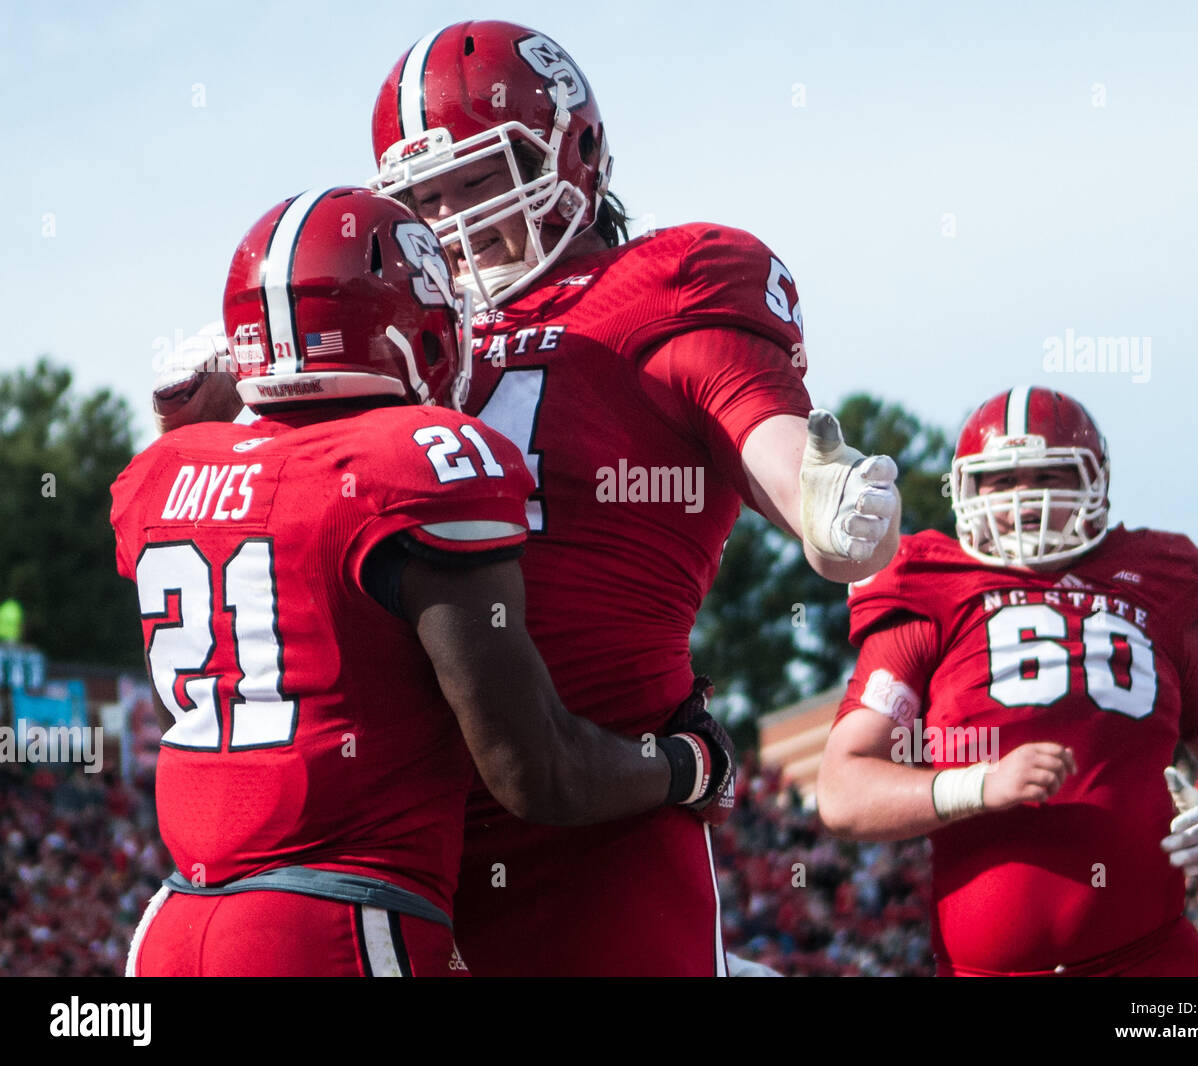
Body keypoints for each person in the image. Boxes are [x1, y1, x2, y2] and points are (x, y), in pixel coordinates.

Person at [359, 20, 903, 975]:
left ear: (580, 153)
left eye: (481, 180)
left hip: (598, 821)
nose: (453, 223)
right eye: (423, 199)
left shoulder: (657, 289)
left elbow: (777, 452)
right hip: (402, 831)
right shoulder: (393, 344)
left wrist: (827, 501)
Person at [112, 187, 735, 977]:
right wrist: (688, 765)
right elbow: (534, 771)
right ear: (419, 333)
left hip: (174, 923)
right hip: (331, 923)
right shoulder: (422, 463)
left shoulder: (162, 471)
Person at [818, 385, 1198, 977]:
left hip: (1153, 966)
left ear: (1094, 484)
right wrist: (977, 786)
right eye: (1002, 481)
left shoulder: (1154, 584)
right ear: (966, 490)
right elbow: (842, 790)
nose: (1025, 499)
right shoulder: (929, 586)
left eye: (1050, 475)